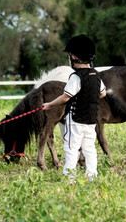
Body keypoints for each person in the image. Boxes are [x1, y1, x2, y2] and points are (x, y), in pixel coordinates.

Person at [42, 34, 106, 181]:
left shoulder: (76, 77)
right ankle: (92, 176)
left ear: (74, 57)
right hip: (91, 120)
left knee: (71, 148)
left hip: (75, 121)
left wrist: (50, 104)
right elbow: (102, 93)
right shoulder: (96, 75)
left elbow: (65, 97)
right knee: (89, 149)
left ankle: (70, 178)